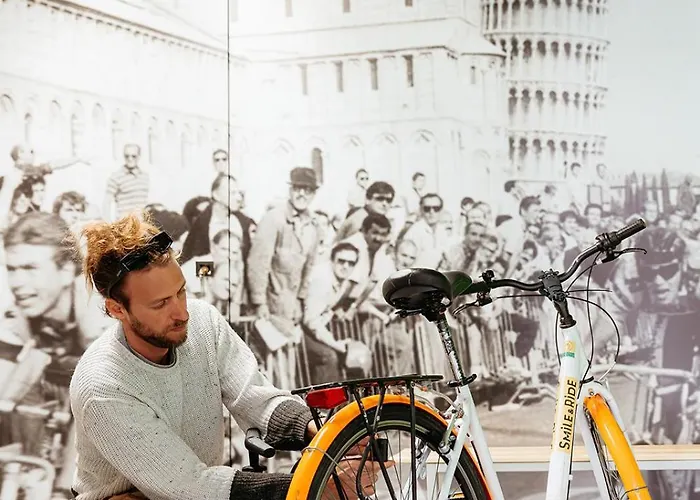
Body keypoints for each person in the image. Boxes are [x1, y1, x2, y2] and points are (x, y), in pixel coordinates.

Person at [69, 212, 380, 500]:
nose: (182, 313)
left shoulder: (203, 322)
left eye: (181, 292)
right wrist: (316, 486)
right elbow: (189, 484)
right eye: (160, 304)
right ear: (117, 309)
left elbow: (255, 398)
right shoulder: (103, 386)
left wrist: (321, 430)